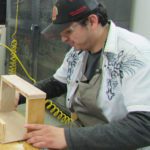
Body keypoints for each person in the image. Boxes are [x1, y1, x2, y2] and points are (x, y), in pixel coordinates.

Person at [21, 0, 150, 149]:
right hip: (83, 134)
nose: (63, 39)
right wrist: (19, 96)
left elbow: (144, 125)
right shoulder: (78, 50)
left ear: (92, 21)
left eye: (68, 31)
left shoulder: (135, 54)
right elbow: (57, 83)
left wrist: (68, 138)